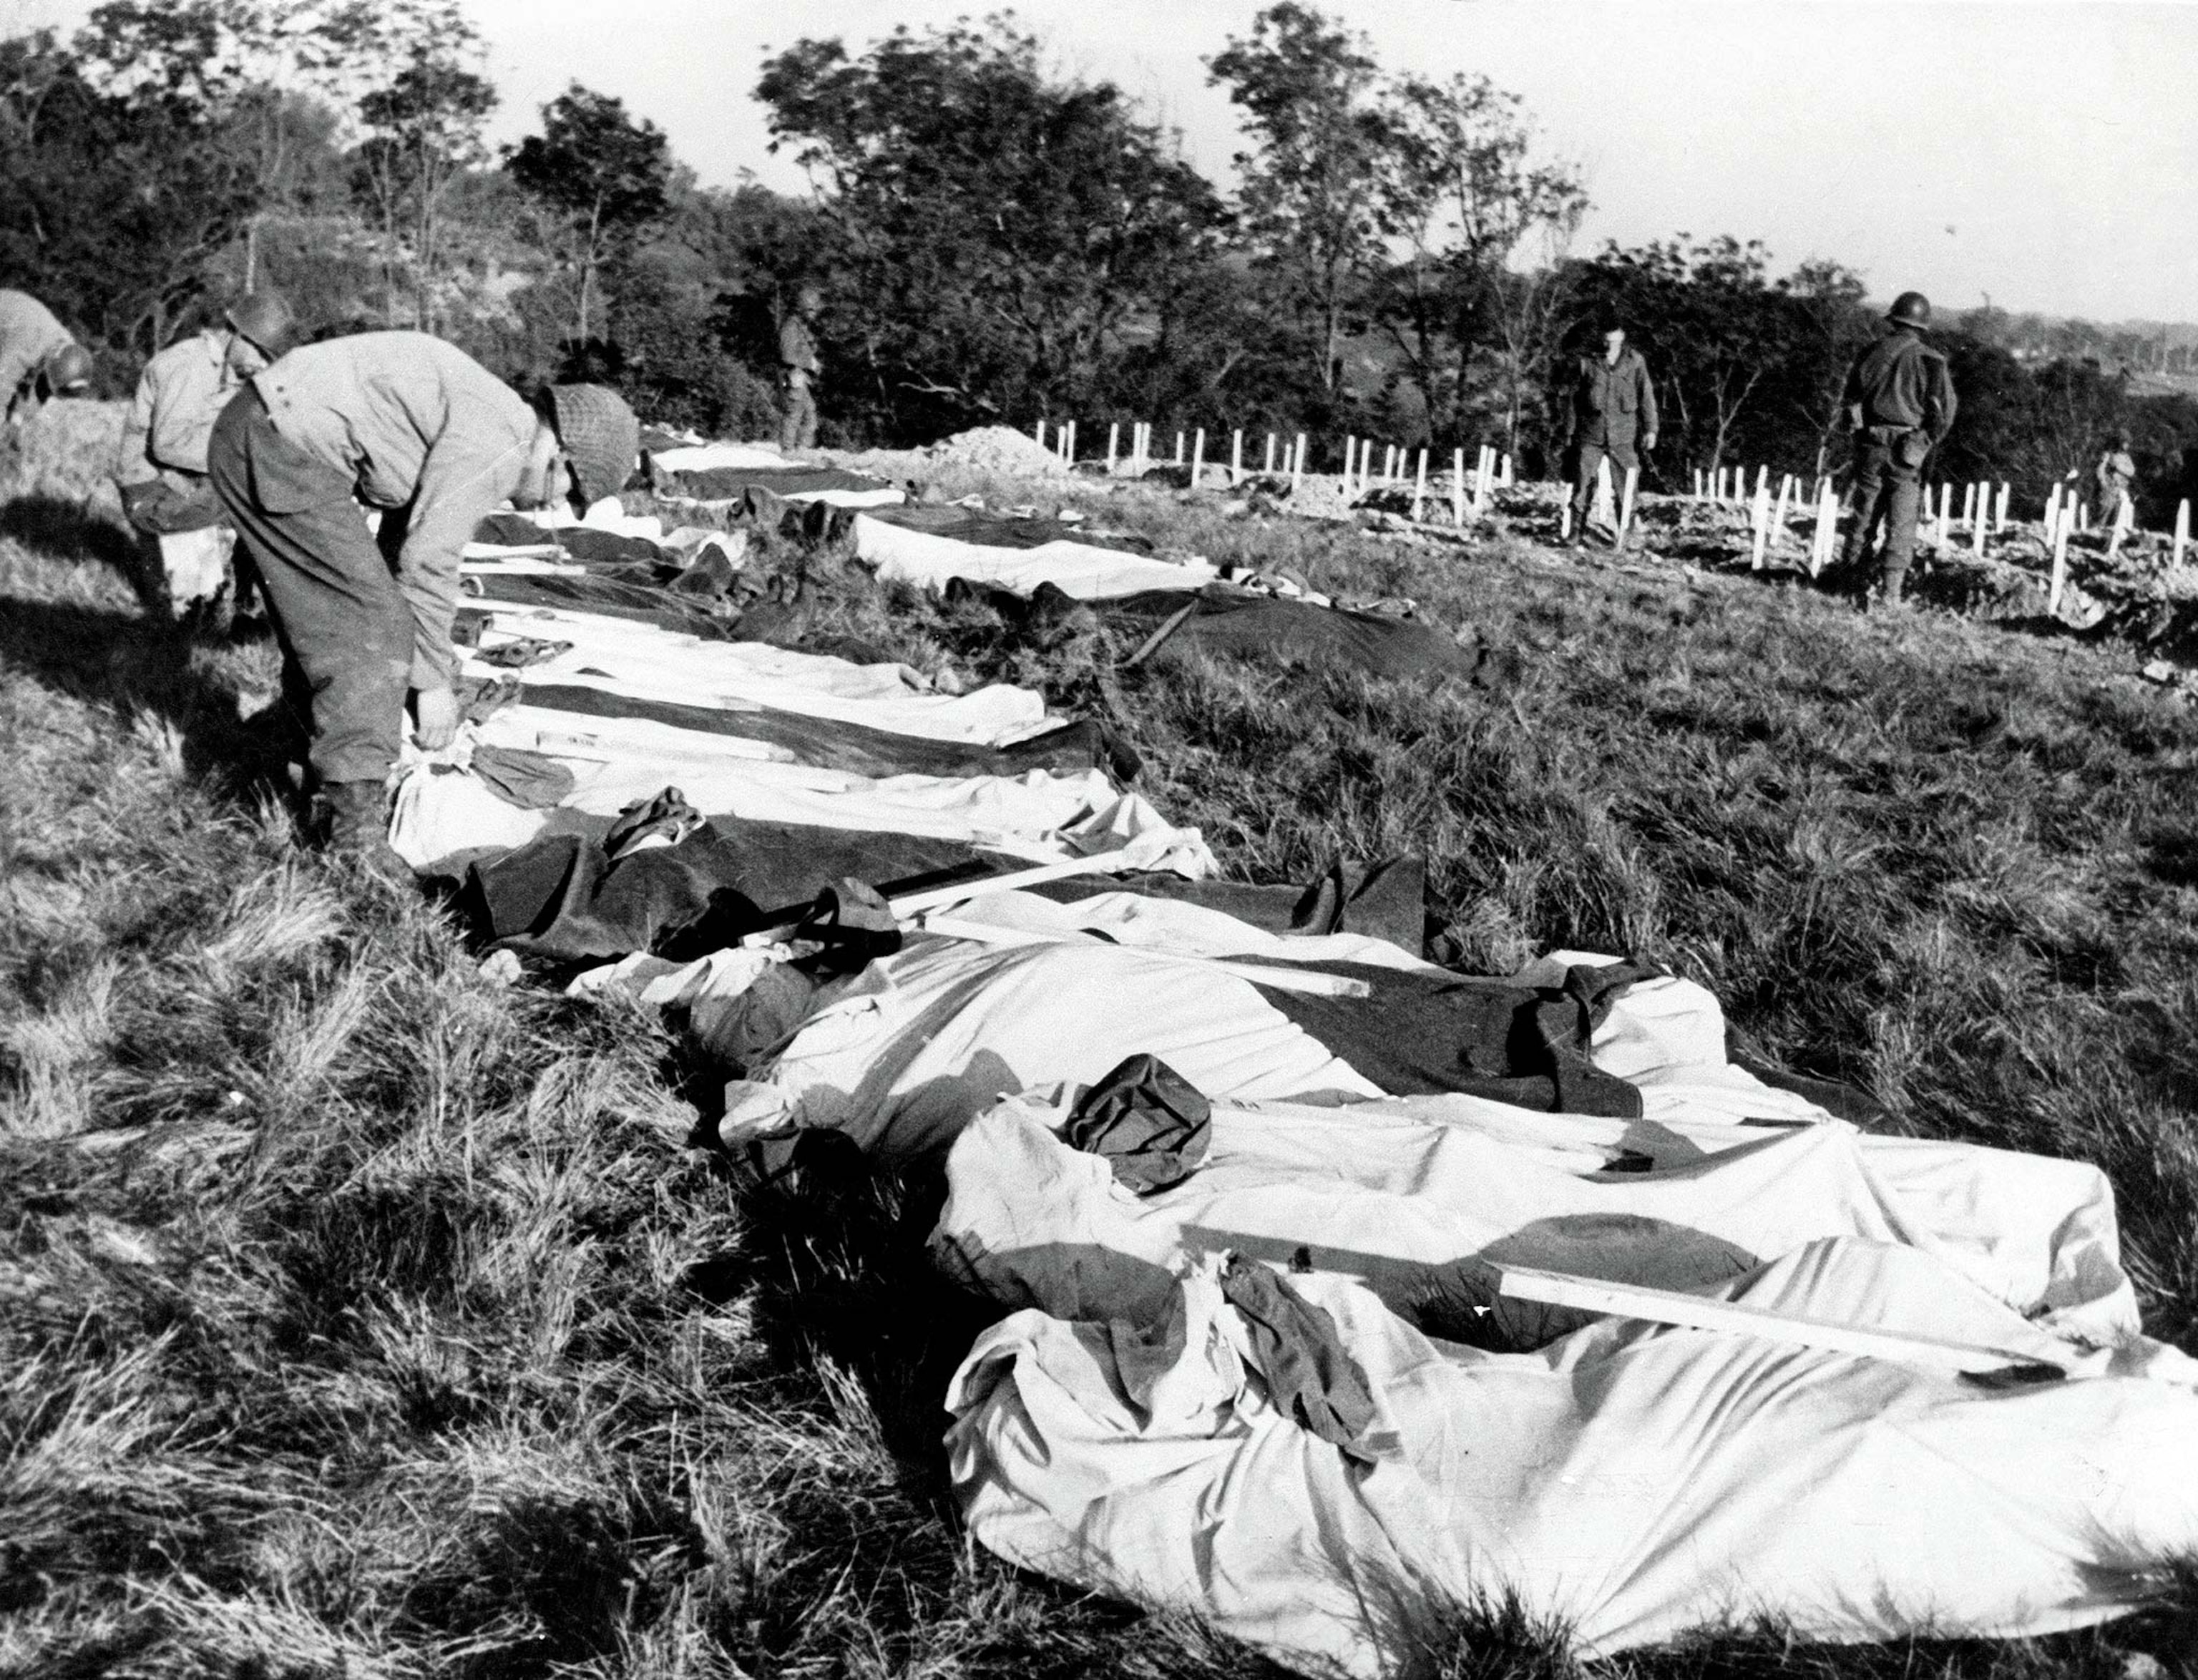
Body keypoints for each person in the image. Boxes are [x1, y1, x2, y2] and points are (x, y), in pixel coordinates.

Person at [207, 331, 638, 869]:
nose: (546, 507)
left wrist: (427, 662)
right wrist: (431, 683)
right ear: (560, 455)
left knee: (341, 619)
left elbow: (398, 553)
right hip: (276, 445)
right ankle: (353, 842)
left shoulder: (491, 417)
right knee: (372, 628)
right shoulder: (501, 442)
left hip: (259, 432)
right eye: (566, 496)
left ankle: (300, 775)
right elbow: (426, 561)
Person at [115, 291, 298, 535]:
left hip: (181, 483)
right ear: (242, 337)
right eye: (263, 354)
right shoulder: (190, 364)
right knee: (259, 494)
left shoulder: (229, 369)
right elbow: (169, 445)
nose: (264, 365)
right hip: (150, 493)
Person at [1835, 290, 1958, 607]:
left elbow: (1850, 400)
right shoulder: (1931, 361)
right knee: (1901, 524)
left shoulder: (1870, 353)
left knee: (1863, 518)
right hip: (1908, 452)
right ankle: (1891, 595)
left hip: (1871, 445)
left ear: (1894, 320)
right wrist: (1925, 443)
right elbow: (1944, 414)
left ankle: (1850, 586)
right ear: (1922, 326)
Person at [1563, 311, 1657, 544]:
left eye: (1614, 339)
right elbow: (1572, 400)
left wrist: (1651, 429)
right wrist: (1569, 431)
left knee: (1627, 487)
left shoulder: (1635, 361)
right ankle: (1576, 533)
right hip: (1590, 434)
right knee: (1582, 483)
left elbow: (1646, 396)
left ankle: (1627, 538)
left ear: (1622, 336)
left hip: (1624, 436)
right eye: (1606, 339)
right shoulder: (1587, 362)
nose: (1609, 344)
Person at [0, 288, 93, 439]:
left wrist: (16, 423)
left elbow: (32, 388)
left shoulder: (66, 351)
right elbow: (4, 383)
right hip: (9, 321)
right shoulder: (27, 346)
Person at [777, 284, 822, 454]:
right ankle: (788, 451)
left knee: (810, 415)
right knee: (795, 414)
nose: (814, 314)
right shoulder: (790, 327)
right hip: (793, 377)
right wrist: (809, 363)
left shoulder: (799, 327)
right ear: (801, 308)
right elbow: (787, 356)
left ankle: (802, 450)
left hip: (801, 377)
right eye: (811, 309)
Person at [2094, 431, 2137, 524]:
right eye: (2125, 443)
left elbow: (2131, 472)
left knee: (2120, 517)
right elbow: (2100, 470)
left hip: (2122, 489)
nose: (2127, 446)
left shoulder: (2127, 458)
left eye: (2128, 443)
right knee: (2104, 513)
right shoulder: (2108, 455)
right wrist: (2103, 482)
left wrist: (2117, 468)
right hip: (2110, 489)